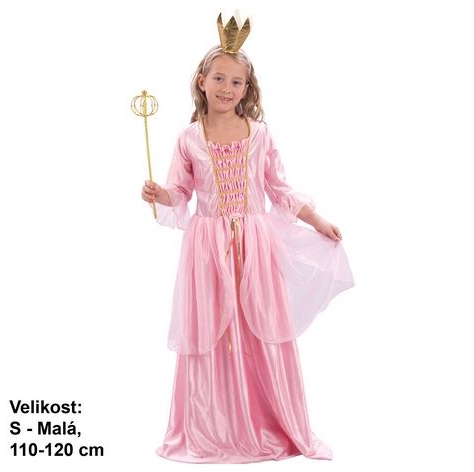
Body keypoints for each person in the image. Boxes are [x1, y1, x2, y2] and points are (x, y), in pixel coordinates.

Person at [140, 13, 354, 463]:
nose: (226, 88)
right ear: (201, 82)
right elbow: (180, 192)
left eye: (236, 82)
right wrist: (162, 194)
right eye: (219, 78)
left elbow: (278, 188)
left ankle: (270, 419)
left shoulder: (260, 136)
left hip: (255, 245)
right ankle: (213, 427)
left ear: (246, 89)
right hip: (207, 248)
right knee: (212, 329)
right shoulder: (188, 138)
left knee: (262, 325)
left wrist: (317, 220)